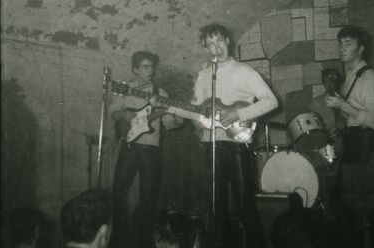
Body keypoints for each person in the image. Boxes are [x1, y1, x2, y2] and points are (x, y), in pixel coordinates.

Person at [182, 23, 278, 248]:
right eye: (210, 44)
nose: (216, 48)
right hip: (210, 145)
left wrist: (238, 112)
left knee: (245, 205)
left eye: (219, 42)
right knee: (216, 208)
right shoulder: (204, 75)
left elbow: (271, 100)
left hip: (236, 145)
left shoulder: (245, 72)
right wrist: (175, 111)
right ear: (206, 49)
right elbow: (196, 108)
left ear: (227, 41)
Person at [108, 51, 183, 248]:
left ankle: (144, 242)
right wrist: (127, 116)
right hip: (129, 146)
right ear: (135, 69)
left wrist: (179, 119)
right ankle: (117, 240)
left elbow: (169, 124)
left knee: (149, 198)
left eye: (152, 67)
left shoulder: (162, 93)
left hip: (151, 149)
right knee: (118, 193)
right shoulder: (124, 88)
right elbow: (113, 112)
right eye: (145, 67)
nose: (150, 71)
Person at [325, 25, 374, 163]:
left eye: (348, 44)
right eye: (340, 43)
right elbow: (354, 112)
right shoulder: (350, 76)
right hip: (353, 143)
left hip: (367, 149)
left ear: (360, 49)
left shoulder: (370, 78)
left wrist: (342, 105)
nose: (342, 48)